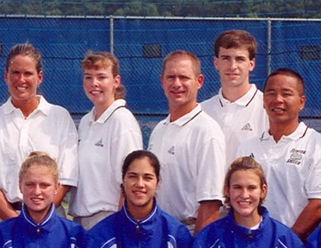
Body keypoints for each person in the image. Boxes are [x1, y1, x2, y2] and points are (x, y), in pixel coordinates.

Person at [0, 44, 78, 226]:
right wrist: (16, 221)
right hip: (2, 222)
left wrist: (37, 219)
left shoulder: (59, 117)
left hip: (49, 220)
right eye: (15, 73)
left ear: (39, 77)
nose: (21, 80)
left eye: (28, 73)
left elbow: (66, 177)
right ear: (6, 75)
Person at [236, 68, 321, 239]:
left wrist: (285, 242)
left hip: (299, 247)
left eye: (286, 94)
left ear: (301, 102)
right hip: (253, 244)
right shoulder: (247, 148)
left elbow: (320, 205)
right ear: (263, 101)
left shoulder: (319, 146)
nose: (278, 100)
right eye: (271, 93)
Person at [147, 50, 226, 232]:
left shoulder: (207, 131)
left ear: (199, 82)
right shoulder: (159, 129)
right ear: (162, 81)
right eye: (171, 77)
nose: (177, 84)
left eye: (184, 77)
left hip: (189, 233)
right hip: (158, 232)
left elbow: (211, 202)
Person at [71, 51, 142, 229]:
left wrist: (120, 229)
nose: (94, 84)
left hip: (109, 221)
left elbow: (129, 183)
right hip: (82, 220)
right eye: (88, 77)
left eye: (101, 77)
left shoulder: (122, 120)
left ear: (115, 82)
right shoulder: (86, 121)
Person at [201, 30, 267, 159]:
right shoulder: (202, 111)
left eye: (240, 59)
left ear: (251, 64)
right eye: (226, 58)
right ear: (216, 63)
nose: (232, 66)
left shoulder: (268, 109)